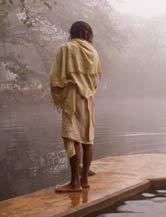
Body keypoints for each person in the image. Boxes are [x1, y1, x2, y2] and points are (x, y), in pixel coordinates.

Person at [49, 21, 101, 192]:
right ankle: (84, 180)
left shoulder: (66, 48)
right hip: (89, 99)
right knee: (87, 139)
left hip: (72, 99)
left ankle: (74, 183)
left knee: (73, 138)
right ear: (88, 34)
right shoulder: (93, 52)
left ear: (72, 32)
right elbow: (94, 79)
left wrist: (60, 91)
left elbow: (56, 77)